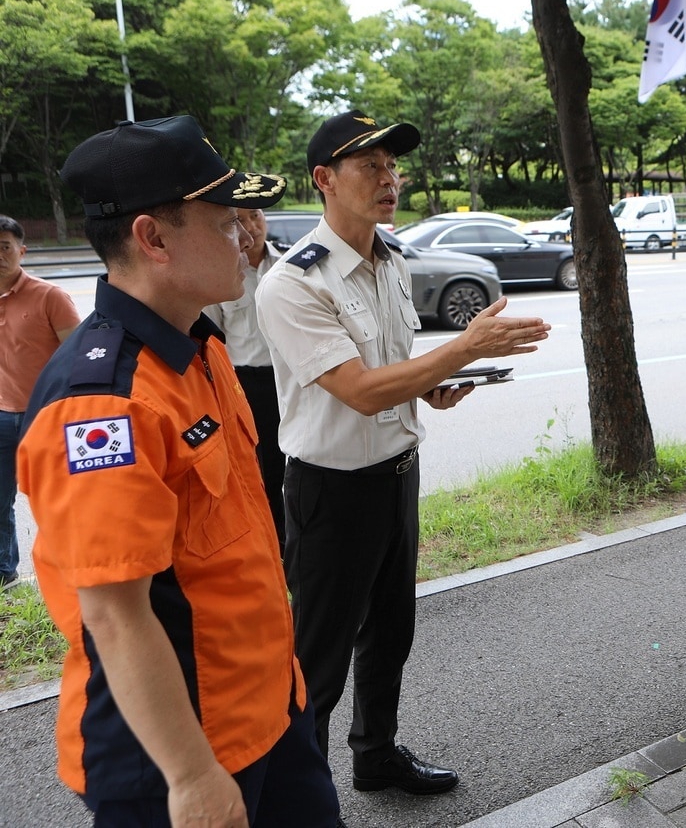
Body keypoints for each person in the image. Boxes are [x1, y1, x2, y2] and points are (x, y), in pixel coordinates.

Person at [18, 116, 340, 827]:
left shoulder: (199, 348)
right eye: (224, 219)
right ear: (153, 239)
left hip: (268, 709)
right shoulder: (103, 404)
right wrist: (191, 774)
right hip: (176, 755)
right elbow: (112, 612)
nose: (245, 233)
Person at [256, 109, 550, 794]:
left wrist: (433, 384)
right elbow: (357, 391)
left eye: (392, 166)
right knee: (318, 659)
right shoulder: (296, 282)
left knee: (390, 633)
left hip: (396, 476)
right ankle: (297, 796)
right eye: (371, 166)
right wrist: (463, 347)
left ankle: (376, 755)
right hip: (332, 490)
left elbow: (390, 368)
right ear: (324, 179)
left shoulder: (388, 261)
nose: (389, 179)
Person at [0, 214, 80, 590]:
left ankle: (69, 571)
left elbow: (78, 356)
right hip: (2, 415)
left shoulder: (50, 296)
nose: (0, 255)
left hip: (47, 415)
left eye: (5, 247)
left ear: (22, 251)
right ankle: (6, 574)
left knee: (55, 499)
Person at [202, 208, 287, 549]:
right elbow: (213, 338)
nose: (252, 228)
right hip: (248, 382)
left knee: (299, 462)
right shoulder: (223, 273)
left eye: (257, 217)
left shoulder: (289, 265)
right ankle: (275, 542)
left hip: (291, 377)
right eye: (241, 220)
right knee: (263, 469)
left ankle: (297, 538)